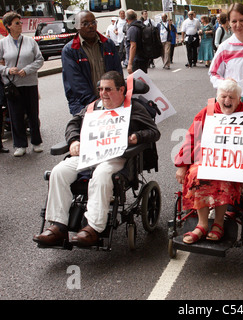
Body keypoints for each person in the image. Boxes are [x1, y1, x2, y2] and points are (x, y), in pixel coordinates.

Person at [33, 71, 161, 247]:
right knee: (58, 172)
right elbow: (73, 124)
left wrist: (136, 137)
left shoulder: (133, 107)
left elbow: (154, 132)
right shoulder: (94, 106)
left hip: (116, 156)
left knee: (101, 175)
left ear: (121, 89)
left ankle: (92, 228)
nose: (103, 93)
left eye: (108, 89)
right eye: (100, 89)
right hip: (89, 154)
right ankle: (58, 226)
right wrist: (74, 140)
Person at [174, 80, 243, 244]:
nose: (227, 101)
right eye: (223, 96)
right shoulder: (206, 112)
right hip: (205, 158)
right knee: (196, 174)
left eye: (231, 97)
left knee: (224, 177)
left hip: (232, 161)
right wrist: (182, 165)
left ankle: (219, 224)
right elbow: (190, 138)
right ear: (217, 97)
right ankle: (202, 225)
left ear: (239, 99)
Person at [61, 10, 122, 116]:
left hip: (111, 102)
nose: (91, 26)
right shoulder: (70, 50)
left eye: (93, 22)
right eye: (85, 23)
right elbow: (76, 83)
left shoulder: (108, 44)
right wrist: (97, 104)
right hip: (84, 105)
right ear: (77, 26)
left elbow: (117, 73)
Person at [0, 11, 44, 157]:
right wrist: (8, 70)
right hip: (13, 85)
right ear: (8, 26)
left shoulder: (30, 41)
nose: (20, 25)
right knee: (16, 115)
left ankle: (36, 142)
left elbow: (39, 60)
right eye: (17, 23)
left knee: (33, 113)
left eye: (20, 22)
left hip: (30, 83)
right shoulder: (2, 44)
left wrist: (27, 70)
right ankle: (20, 145)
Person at [126, 9, 150, 74]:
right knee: (142, 80)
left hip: (136, 60)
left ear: (127, 20)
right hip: (143, 57)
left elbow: (133, 46)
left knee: (137, 81)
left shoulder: (132, 29)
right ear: (136, 16)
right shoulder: (141, 25)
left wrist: (130, 64)